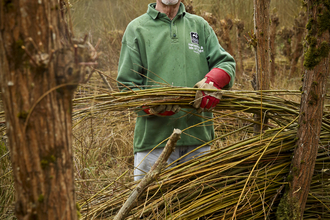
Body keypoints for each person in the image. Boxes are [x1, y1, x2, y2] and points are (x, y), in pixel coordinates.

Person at [117, 0, 236, 181]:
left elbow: (226, 63)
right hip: (153, 145)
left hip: (198, 141)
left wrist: (213, 82)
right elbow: (126, 85)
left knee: (199, 205)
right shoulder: (136, 28)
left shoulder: (200, 26)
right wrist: (151, 105)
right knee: (150, 207)